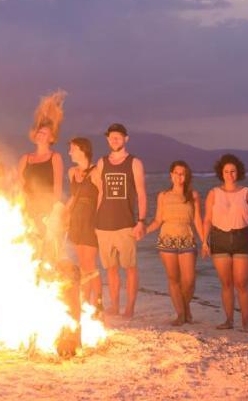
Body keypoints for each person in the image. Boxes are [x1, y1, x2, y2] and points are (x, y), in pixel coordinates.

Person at [92, 124, 147, 318]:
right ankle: (114, 306)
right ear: (108, 140)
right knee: (111, 269)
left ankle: (130, 307)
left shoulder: (134, 163)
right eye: (111, 137)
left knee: (130, 268)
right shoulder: (102, 162)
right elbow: (100, 193)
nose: (115, 140)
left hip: (126, 224)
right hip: (103, 225)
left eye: (118, 137)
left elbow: (141, 193)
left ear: (126, 139)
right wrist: (95, 221)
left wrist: (141, 221)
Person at [202, 153, 248, 331]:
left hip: (242, 237)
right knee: (226, 283)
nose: (230, 174)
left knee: (241, 283)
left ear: (238, 172)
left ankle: (246, 322)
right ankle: (229, 320)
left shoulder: (246, 192)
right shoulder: (213, 193)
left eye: (233, 171)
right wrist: (205, 242)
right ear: (222, 173)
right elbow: (207, 220)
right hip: (219, 238)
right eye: (226, 171)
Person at [145, 160, 204, 325]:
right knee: (173, 279)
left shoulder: (193, 195)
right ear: (171, 175)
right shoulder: (163, 196)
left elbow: (197, 220)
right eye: (176, 173)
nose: (179, 176)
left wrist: (205, 241)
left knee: (189, 280)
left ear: (186, 176)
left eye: (182, 173)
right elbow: (158, 220)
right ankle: (180, 314)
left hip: (187, 238)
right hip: (167, 239)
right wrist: (144, 230)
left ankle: (185, 308)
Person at [18, 91, 66, 252]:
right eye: (39, 132)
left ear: (51, 138)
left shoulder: (55, 158)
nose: (40, 135)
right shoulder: (26, 158)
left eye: (44, 133)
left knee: (48, 249)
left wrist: (53, 211)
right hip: (29, 208)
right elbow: (19, 184)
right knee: (30, 248)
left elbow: (58, 186)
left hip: (47, 208)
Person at [65, 137, 102, 310]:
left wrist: (101, 221)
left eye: (72, 148)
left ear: (82, 150)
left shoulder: (95, 172)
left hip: (91, 218)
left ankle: (98, 304)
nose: (69, 152)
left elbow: (103, 196)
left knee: (90, 264)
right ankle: (86, 303)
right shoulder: (72, 172)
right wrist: (63, 215)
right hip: (76, 219)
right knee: (82, 264)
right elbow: (73, 197)